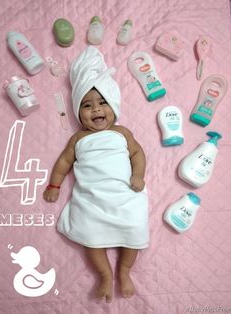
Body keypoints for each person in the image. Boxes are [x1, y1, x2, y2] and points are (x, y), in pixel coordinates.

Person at [43, 46, 149, 303]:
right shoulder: (78, 138)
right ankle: (104, 275)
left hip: (125, 195)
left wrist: (138, 175)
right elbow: (64, 162)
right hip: (92, 200)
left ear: (114, 105)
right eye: (87, 105)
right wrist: (54, 185)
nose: (96, 110)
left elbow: (138, 153)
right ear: (79, 113)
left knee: (135, 229)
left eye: (103, 103)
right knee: (90, 238)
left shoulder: (122, 133)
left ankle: (124, 271)